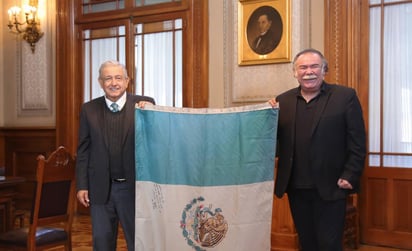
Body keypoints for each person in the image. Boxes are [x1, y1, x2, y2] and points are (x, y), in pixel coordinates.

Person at [268, 48, 366, 251]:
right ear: (295, 72)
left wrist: (351, 174)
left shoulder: (344, 96)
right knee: (307, 242)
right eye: (302, 67)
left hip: (333, 185)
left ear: (324, 70)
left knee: (329, 244)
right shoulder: (282, 101)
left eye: (314, 66)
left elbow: (357, 140)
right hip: (296, 187)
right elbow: (270, 140)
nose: (308, 71)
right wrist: (266, 116)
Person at [76, 60, 155, 251]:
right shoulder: (89, 109)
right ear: (100, 82)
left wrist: (151, 112)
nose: (114, 83)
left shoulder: (144, 105)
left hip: (133, 189)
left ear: (127, 81)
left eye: (118, 78)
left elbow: (156, 140)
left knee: (138, 242)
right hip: (100, 189)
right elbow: (83, 150)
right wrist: (82, 185)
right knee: (102, 243)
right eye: (108, 78)